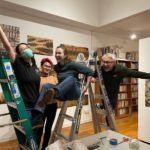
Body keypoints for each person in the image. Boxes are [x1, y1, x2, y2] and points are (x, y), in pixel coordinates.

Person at [0, 26, 42, 147]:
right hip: (26, 107)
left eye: (27, 48)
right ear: (19, 54)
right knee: (28, 135)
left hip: (37, 107)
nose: (26, 50)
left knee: (37, 135)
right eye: (23, 50)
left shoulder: (34, 65)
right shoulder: (18, 63)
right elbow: (7, 46)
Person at [36, 44, 94, 113]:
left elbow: (90, 72)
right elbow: (46, 71)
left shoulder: (72, 64)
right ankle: (38, 111)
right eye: (56, 53)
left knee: (70, 78)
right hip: (63, 94)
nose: (57, 55)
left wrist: (86, 86)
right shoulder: (56, 67)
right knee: (46, 86)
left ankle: (55, 92)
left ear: (65, 55)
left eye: (59, 53)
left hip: (74, 92)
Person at [38, 58, 58, 150]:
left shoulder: (54, 78)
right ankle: (37, 146)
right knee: (39, 128)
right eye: (46, 66)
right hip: (41, 106)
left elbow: (58, 91)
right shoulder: (38, 78)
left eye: (49, 66)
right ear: (42, 66)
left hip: (52, 106)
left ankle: (44, 147)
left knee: (48, 127)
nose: (48, 68)